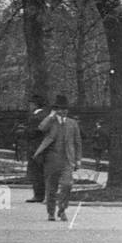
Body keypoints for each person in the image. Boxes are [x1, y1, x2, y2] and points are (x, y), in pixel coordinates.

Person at [35, 94, 82, 222]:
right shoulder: (51, 122)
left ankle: (62, 209)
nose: (63, 111)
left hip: (67, 160)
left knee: (67, 185)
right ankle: (51, 212)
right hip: (52, 160)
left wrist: (78, 159)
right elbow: (41, 128)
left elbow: (77, 142)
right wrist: (51, 116)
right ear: (55, 110)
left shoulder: (73, 123)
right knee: (51, 187)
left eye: (65, 108)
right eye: (60, 109)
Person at [25, 95, 49, 203]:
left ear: (34, 104)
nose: (29, 106)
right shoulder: (45, 115)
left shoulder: (36, 117)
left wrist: (23, 132)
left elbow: (32, 132)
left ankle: (38, 195)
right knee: (41, 171)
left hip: (35, 147)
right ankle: (42, 194)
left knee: (36, 171)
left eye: (30, 104)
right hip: (42, 146)